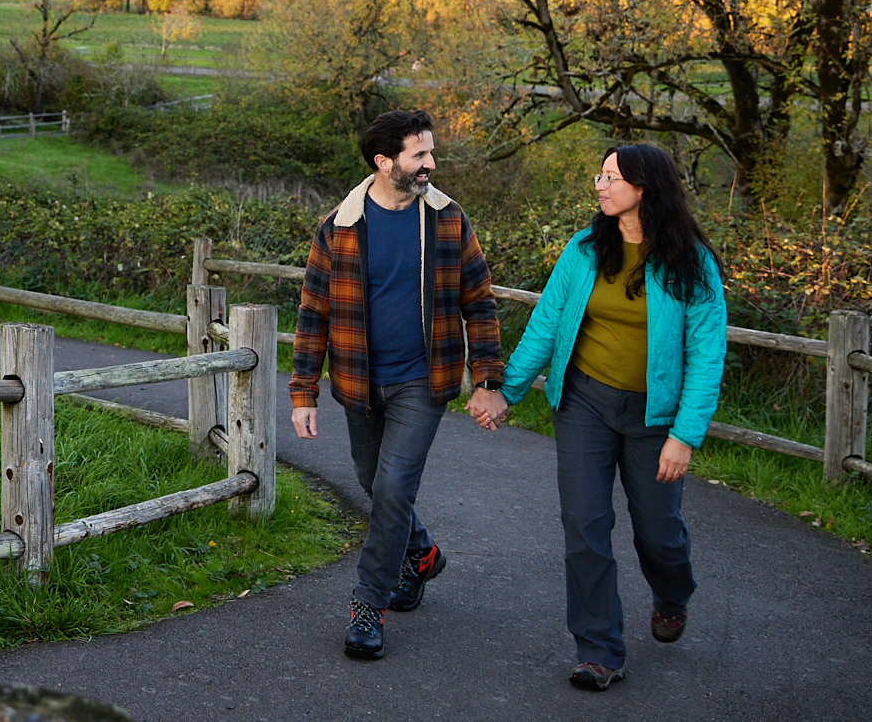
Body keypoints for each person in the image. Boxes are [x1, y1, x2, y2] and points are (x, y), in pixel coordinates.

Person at [468, 143, 727, 692]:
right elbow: (546, 323)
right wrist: (503, 390)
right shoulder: (586, 249)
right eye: (600, 175)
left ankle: (673, 594)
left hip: (655, 419)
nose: (599, 186)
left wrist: (685, 435)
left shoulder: (691, 264)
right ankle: (598, 649)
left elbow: (707, 357)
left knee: (659, 534)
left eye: (610, 177)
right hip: (584, 403)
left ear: (644, 187)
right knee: (585, 526)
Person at [290, 108, 504, 661]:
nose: (431, 163)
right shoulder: (340, 226)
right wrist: (303, 391)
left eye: (431, 152)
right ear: (385, 163)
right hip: (359, 383)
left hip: (422, 381)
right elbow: (313, 313)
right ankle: (422, 554)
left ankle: (368, 605)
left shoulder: (449, 220)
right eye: (419, 155)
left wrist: (486, 379)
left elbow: (479, 302)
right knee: (370, 479)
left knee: (391, 489)